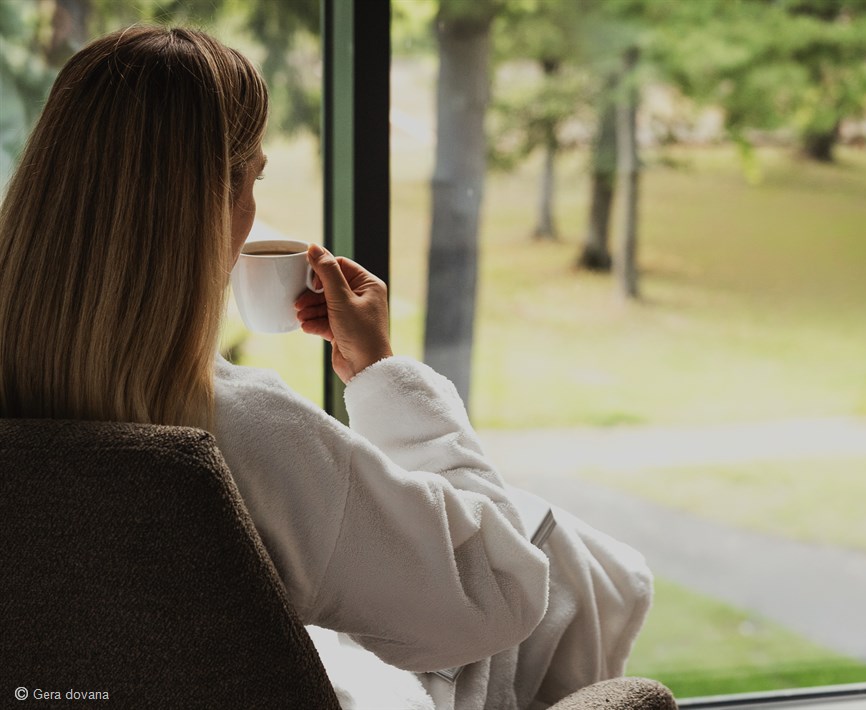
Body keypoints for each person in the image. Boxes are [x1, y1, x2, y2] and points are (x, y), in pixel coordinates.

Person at [0, 26, 652, 709]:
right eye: (251, 177)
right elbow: (499, 593)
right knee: (562, 560)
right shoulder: (245, 437)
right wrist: (381, 374)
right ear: (207, 206)